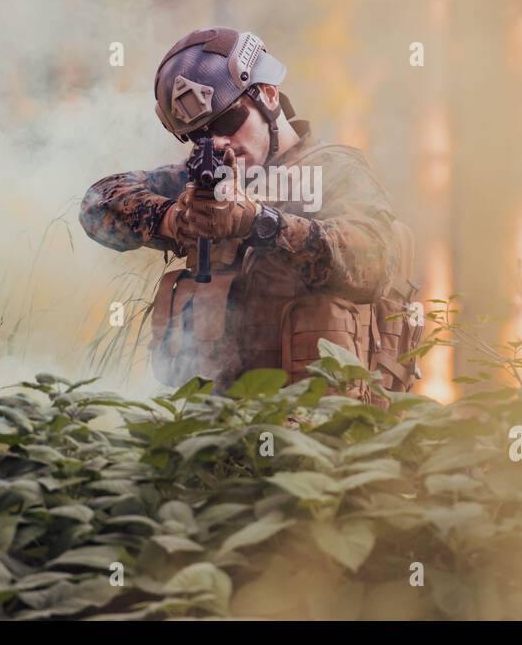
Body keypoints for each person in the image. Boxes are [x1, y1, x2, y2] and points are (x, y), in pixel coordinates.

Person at [79, 27, 422, 405]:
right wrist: (175, 219)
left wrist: (260, 223)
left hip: (323, 423)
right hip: (221, 421)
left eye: (227, 121)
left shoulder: (334, 171)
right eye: (199, 136)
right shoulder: (205, 178)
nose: (217, 142)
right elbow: (97, 203)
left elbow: (374, 263)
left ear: (269, 95)